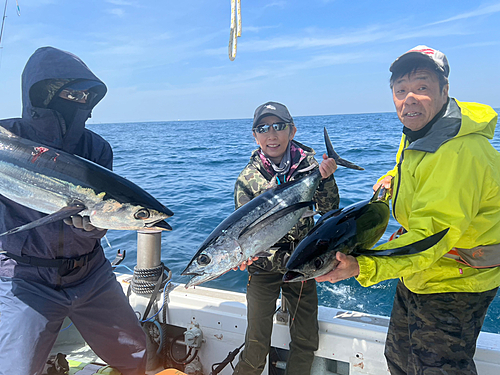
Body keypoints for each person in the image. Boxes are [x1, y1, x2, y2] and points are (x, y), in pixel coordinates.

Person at [316, 45, 500, 374]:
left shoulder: (460, 152)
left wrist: (362, 266)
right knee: (399, 361)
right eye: (401, 90)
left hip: (453, 282)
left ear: (445, 91)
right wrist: (392, 178)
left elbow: (432, 235)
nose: (409, 98)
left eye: (422, 87)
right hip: (420, 272)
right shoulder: (423, 132)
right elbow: (420, 172)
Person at [0, 47, 147, 375]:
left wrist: (96, 229)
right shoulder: (7, 138)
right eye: (71, 93)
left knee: (135, 353)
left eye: (86, 95)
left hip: (91, 273)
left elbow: (105, 210)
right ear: (42, 92)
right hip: (26, 276)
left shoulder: (96, 148)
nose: (80, 102)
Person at [232, 101, 339, 375]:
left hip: (303, 265)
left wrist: (326, 179)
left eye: (278, 126)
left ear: (292, 130)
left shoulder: (310, 168)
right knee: (255, 343)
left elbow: (330, 213)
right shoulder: (247, 180)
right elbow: (243, 235)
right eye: (263, 128)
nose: (272, 135)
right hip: (264, 269)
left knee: (305, 339)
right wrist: (241, 255)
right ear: (254, 136)